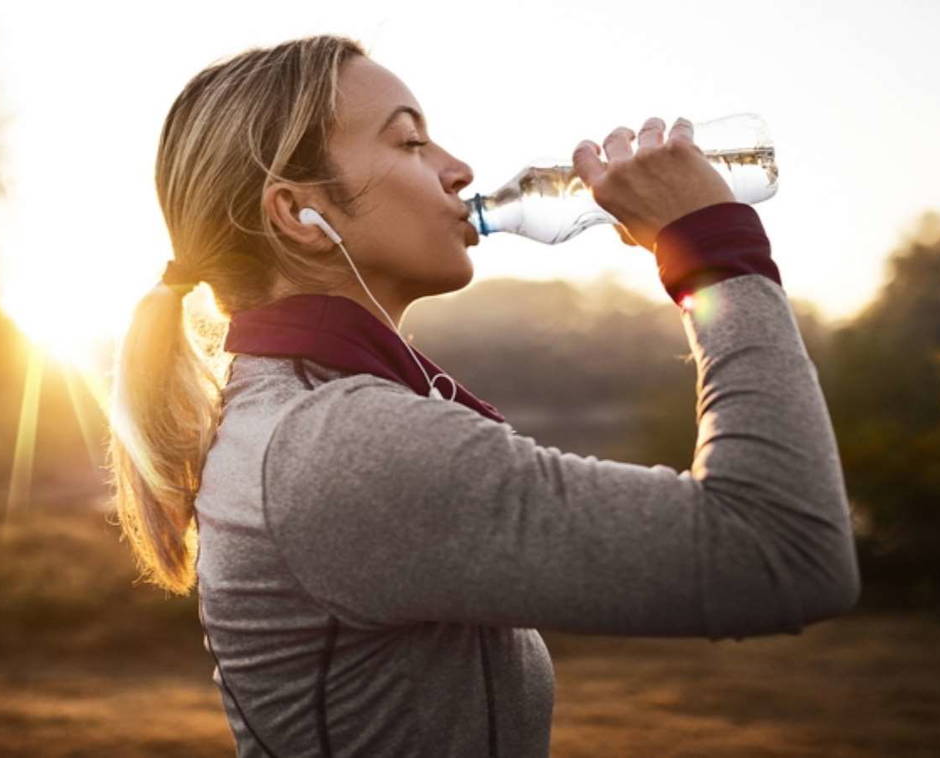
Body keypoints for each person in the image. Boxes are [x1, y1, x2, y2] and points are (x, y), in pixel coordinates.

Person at [107, 34, 861, 758]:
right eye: (409, 143)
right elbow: (782, 550)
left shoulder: (309, 412)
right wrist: (712, 248)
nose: (459, 168)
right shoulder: (340, 441)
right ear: (301, 214)